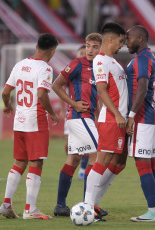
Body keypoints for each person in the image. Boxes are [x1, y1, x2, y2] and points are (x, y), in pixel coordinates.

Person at [0, 33, 59, 220]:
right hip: (36, 119)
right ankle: (30, 209)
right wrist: (52, 112)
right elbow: (41, 95)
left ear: (36, 47)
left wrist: (8, 105)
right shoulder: (45, 68)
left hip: (20, 120)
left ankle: (6, 204)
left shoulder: (20, 64)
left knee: (20, 162)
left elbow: (5, 92)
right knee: (36, 162)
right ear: (53, 51)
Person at [125, 25, 155, 222]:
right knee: (152, 162)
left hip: (142, 116)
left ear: (140, 39)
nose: (126, 42)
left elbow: (142, 87)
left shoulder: (143, 58)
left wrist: (131, 115)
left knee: (142, 162)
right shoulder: (148, 56)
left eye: (129, 38)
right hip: (149, 115)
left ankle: (153, 211)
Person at [52, 33, 101, 217]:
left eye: (94, 47)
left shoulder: (100, 68)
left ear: (100, 49)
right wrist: (73, 104)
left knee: (73, 159)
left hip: (87, 118)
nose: (90, 49)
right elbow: (56, 85)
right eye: (88, 45)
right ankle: (90, 206)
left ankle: (60, 205)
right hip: (79, 116)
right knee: (98, 155)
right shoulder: (78, 64)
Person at [84, 22, 128, 222]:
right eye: (120, 41)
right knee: (101, 161)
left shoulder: (113, 61)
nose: (122, 45)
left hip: (120, 119)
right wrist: (118, 115)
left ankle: (95, 204)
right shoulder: (101, 60)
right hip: (112, 119)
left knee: (119, 163)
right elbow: (101, 89)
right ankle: (88, 207)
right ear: (110, 39)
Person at [59, 44, 90, 181]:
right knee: (70, 144)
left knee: (89, 145)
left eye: (85, 52)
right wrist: (61, 109)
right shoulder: (72, 69)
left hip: (87, 113)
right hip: (72, 112)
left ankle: (83, 169)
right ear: (76, 55)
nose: (84, 54)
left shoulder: (92, 69)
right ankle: (73, 166)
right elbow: (61, 88)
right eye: (81, 52)